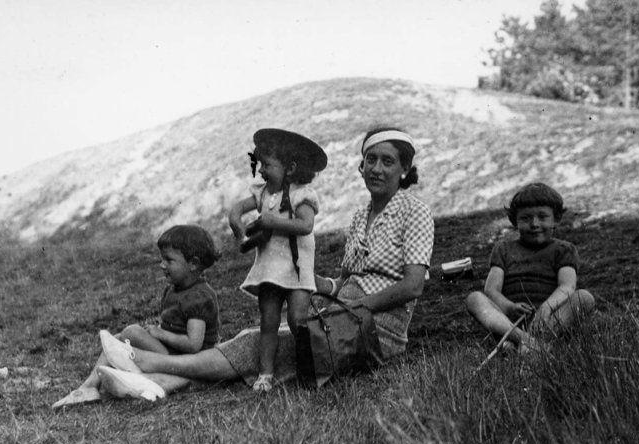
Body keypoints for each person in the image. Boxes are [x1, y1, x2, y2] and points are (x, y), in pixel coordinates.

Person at [96, 127, 435, 395]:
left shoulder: (415, 212)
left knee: (261, 343)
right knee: (263, 337)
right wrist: (319, 284)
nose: (376, 169)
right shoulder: (361, 216)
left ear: (405, 168)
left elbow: (412, 286)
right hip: (343, 317)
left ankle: (140, 360)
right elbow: (346, 282)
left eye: (387, 161)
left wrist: (353, 307)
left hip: (376, 331)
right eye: (370, 160)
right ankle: (154, 382)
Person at [52, 225, 221, 408]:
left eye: (169, 260)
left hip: (188, 360)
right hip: (172, 352)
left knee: (131, 333)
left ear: (193, 264)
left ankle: (129, 372)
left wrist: (160, 334)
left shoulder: (198, 296)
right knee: (118, 339)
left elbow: (194, 345)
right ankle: (89, 386)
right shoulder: (175, 289)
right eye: (162, 259)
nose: (162, 265)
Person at [228, 128, 326, 392]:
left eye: (268, 165)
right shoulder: (262, 193)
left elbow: (306, 226)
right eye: (259, 164)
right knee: (268, 320)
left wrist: (273, 221)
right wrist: (239, 230)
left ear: (291, 167)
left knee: (297, 320)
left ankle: (313, 368)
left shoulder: (301, 194)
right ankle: (265, 374)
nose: (261, 170)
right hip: (269, 268)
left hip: (296, 269)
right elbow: (237, 209)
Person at [465, 183, 595, 353]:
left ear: (556, 219)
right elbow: (491, 290)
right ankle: (525, 341)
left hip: (549, 319)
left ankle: (526, 342)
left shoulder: (564, 249)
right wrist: (510, 307)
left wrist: (546, 309)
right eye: (525, 218)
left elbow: (567, 286)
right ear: (515, 222)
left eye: (542, 217)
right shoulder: (503, 249)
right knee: (474, 298)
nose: (534, 224)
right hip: (510, 321)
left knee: (584, 297)